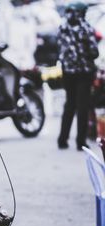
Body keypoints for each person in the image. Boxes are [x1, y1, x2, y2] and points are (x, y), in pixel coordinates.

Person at [57, 1, 99, 151]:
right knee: (82, 106)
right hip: (83, 72)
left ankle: (62, 139)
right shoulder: (85, 28)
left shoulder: (62, 27)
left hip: (68, 72)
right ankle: (81, 141)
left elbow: (60, 48)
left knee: (69, 104)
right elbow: (94, 52)